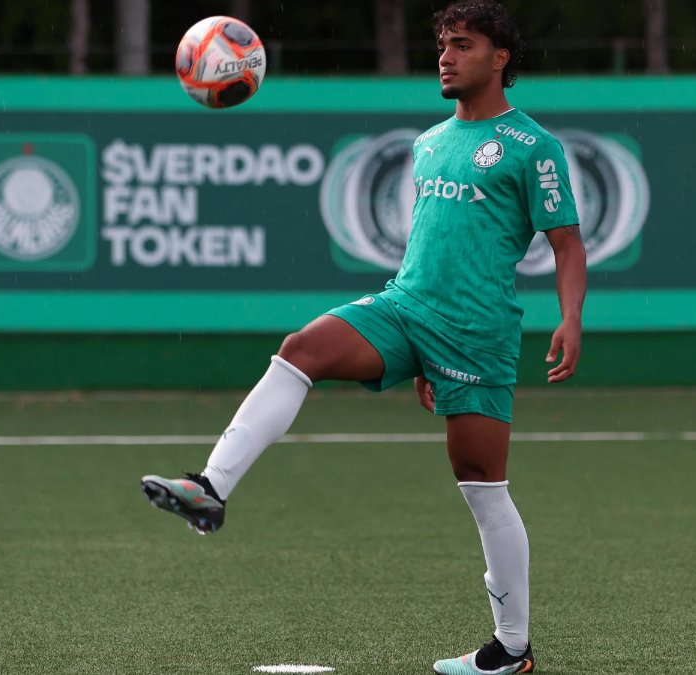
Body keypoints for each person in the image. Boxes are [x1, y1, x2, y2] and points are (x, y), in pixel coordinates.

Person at [141, 1, 585, 672]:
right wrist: (417, 354)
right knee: (301, 349)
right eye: (441, 44)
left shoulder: (533, 147)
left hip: (476, 332)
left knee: (480, 482)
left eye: (461, 45)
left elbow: (568, 243)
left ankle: (512, 648)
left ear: (499, 59)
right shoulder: (429, 142)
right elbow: (434, 244)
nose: (445, 56)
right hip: (404, 307)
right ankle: (211, 486)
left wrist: (571, 317)